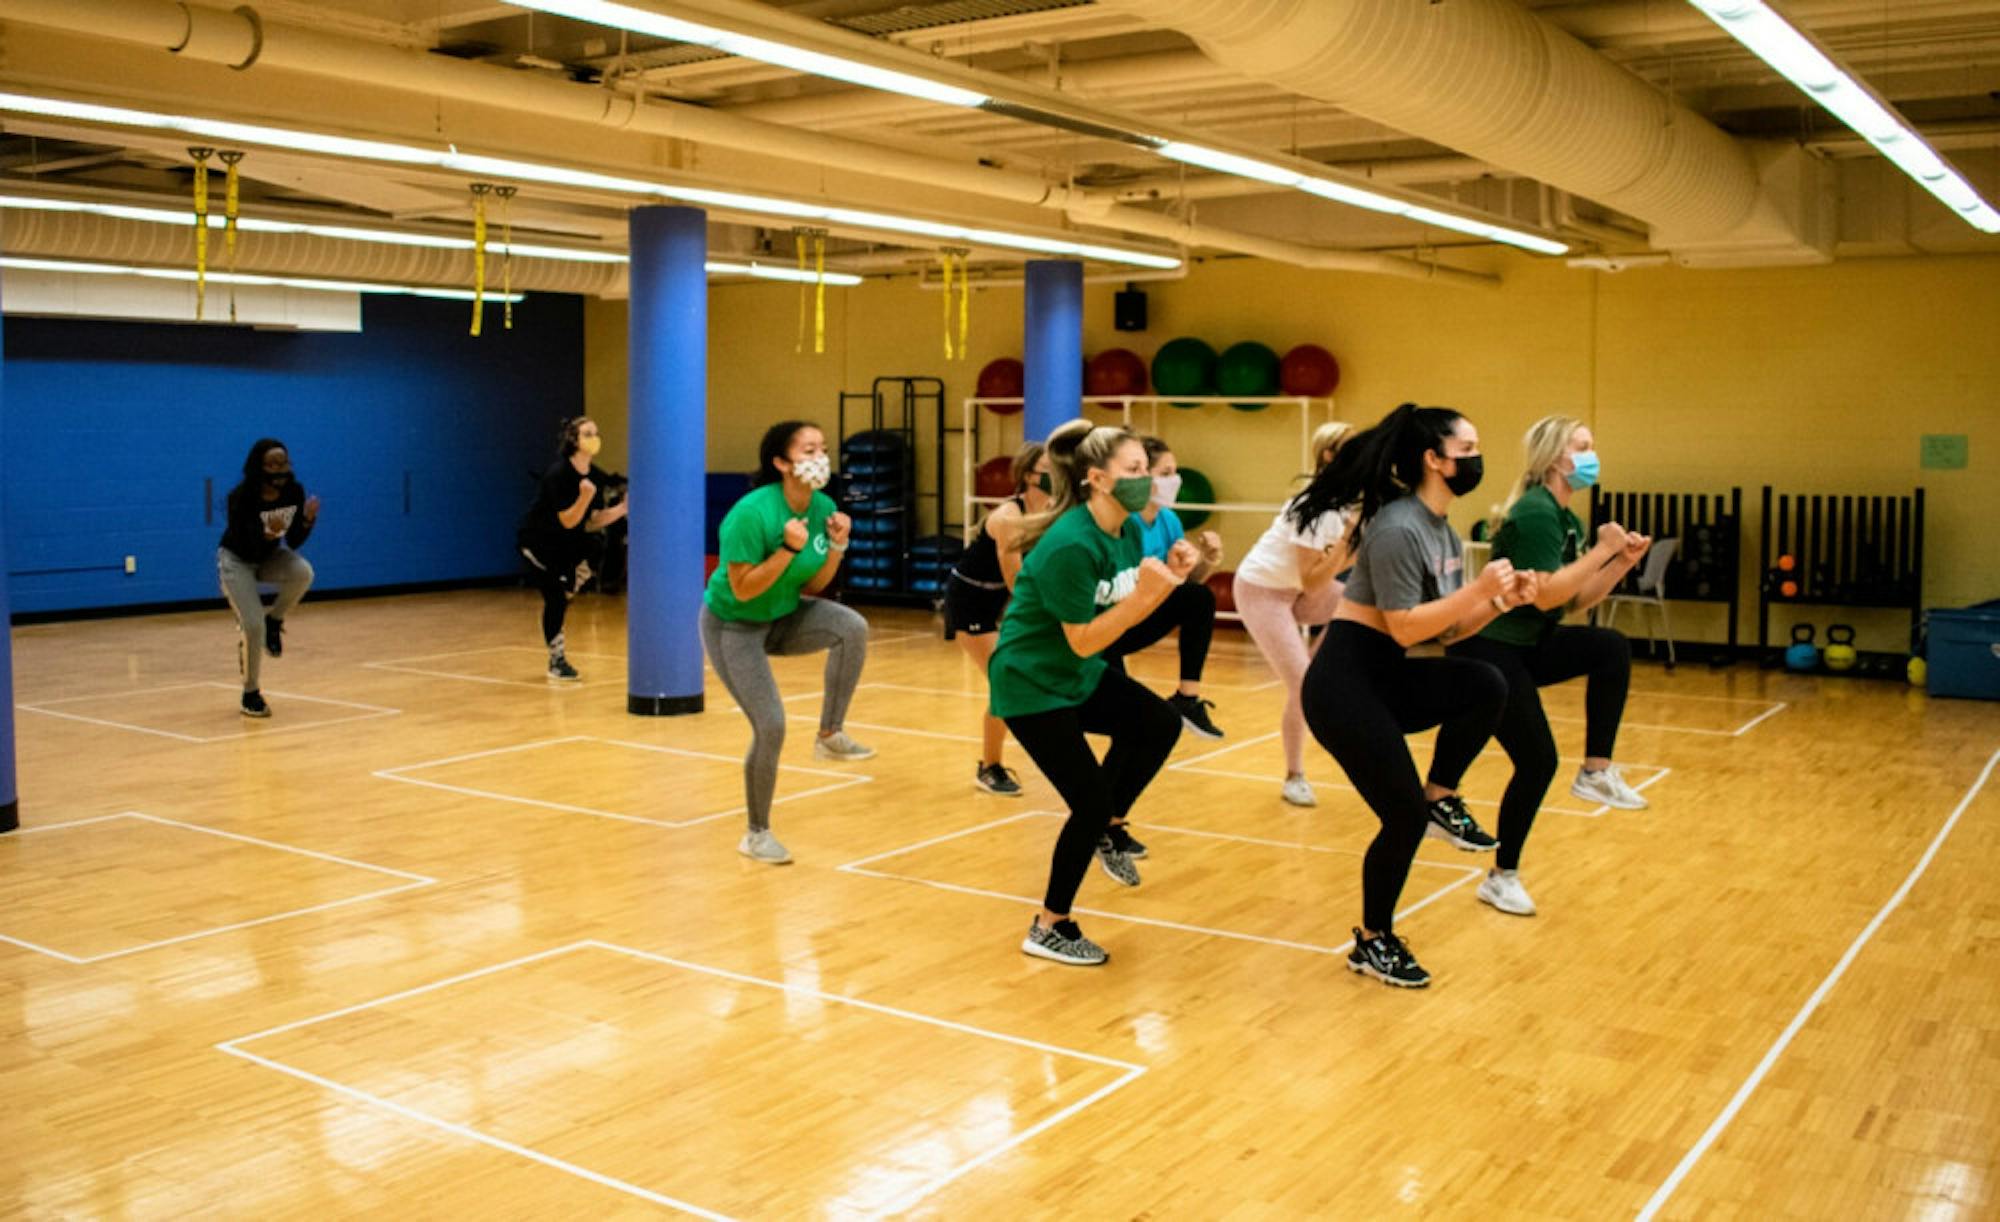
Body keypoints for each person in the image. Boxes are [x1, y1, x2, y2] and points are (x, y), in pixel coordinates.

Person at [1300, 403, 1540, 988]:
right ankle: (1373, 940)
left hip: (1387, 678)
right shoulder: (1399, 527)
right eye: (1467, 450)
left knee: (1485, 682)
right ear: (1433, 460)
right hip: (1344, 688)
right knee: (1400, 818)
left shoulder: (1440, 529)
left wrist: (1503, 601)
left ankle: (1442, 797)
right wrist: (1482, 588)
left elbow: (1450, 631)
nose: (1477, 459)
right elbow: (1407, 626)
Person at [1427, 416, 1653, 917]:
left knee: (1609, 647)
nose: (1592, 455)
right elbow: (1548, 589)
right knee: (1537, 761)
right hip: (1489, 647)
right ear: (1556, 458)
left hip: (1529, 643)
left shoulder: (1565, 518)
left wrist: (1619, 564)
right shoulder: (1535, 514)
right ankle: (1501, 875)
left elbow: (1571, 603)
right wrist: (1602, 549)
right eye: (1583, 447)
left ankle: (1596, 770)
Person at [991, 419, 1194, 966]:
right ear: (1098, 479)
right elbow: (1083, 641)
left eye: (1147, 469)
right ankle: (1050, 925)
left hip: (1074, 676)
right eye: (1134, 470)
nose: (1146, 479)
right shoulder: (1069, 546)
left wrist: (1169, 580)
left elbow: (1121, 617)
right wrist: (1146, 595)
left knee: (1159, 724)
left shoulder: (1126, 530)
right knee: (1089, 801)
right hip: (1032, 687)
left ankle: (1109, 825)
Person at [703, 420, 874, 866]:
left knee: (851, 626)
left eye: (823, 449)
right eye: (808, 450)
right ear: (781, 463)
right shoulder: (751, 513)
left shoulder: (822, 506)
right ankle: (756, 834)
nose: (820, 458)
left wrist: (838, 545)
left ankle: (829, 733)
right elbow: (742, 590)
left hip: (782, 614)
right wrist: (788, 550)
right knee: (772, 726)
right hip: (734, 625)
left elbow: (816, 584)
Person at [1232, 422, 1356, 807]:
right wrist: (1350, 537)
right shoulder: (1315, 507)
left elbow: (1337, 567)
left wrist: (1352, 539)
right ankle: (1294, 776)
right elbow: (1315, 578)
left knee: (1357, 604)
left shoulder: (1348, 503)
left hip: (1296, 591)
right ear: (1330, 456)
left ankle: (1326, 675)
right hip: (1262, 591)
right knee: (1303, 686)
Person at [1099, 435, 1226, 740]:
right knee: (1122, 716)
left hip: (1141, 615)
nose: (1175, 480)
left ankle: (1187, 700)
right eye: (1165, 474)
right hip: (1107, 625)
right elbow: (1118, 589)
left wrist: (1207, 561)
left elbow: (1184, 585)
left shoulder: (1168, 520)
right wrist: (1164, 575)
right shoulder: (1123, 522)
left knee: (1199, 597)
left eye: (1175, 472)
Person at [945, 441, 1052, 797]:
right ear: (1027, 476)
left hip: (995, 600)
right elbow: (1016, 579)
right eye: (1046, 471)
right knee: (1007, 683)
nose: (1055, 476)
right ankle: (989, 767)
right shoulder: (1009, 517)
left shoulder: (1052, 512)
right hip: (971, 601)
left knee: (1014, 683)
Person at [517, 417, 628, 682]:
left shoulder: (596, 475)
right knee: (555, 598)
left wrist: (622, 509)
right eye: (588, 433)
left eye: (596, 432)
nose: (594, 437)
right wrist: (584, 497)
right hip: (538, 544)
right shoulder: (559, 474)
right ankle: (557, 661)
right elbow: (568, 520)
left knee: (595, 544)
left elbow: (592, 521)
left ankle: (574, 580)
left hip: (566, 545)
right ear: (574, 441)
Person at [217, 439, 318, 718]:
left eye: (284, 462)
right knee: (252, 625)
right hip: (237, 561)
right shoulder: (241, 497)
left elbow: (294, 540)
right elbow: (242, 539)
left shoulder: (293, 492)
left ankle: (275, 619)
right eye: (273, 464)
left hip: (267, 558)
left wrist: (308, 520)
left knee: (303, 572)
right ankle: (250, 693)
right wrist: (267, 533)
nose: (280, 469)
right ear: (259, 467)